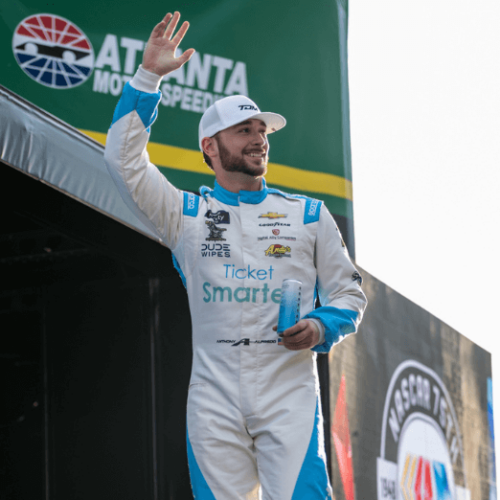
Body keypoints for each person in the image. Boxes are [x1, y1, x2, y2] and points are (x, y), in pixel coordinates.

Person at [104, 11, 367, 500]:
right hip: (214, 396)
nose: (259, 138)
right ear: (210, 146)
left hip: (287, 390)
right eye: (243, 130)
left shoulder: (308, 214)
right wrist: (148, 78)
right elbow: (122, 161)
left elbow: (350, 293)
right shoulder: (184, 213)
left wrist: (320, 326)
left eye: (261, 130)